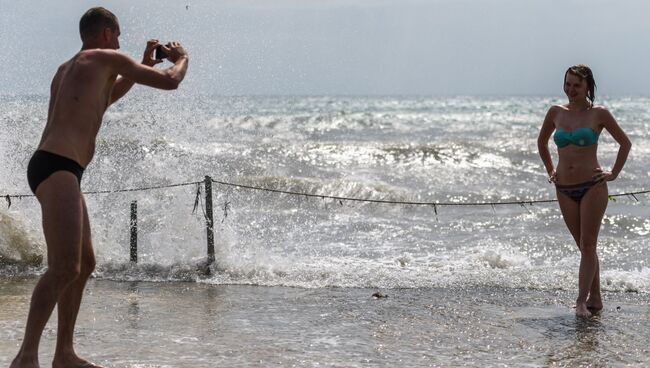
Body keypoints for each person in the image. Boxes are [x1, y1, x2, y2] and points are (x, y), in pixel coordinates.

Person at [11, 7, 188, 368]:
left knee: (84, 262)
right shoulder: (108, 57)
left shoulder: (70, 68)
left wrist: (140, 67)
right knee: (63, 267)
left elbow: (102, 100)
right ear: (107, 33)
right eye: (119, 37)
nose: (121, 45)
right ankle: (26, 356)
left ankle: (64, 353)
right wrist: (182, 58)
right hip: (58, 168)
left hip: (55, 166)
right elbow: (172, 81)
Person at [537, 65, 631, 318]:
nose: (571, 90)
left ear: (588, 86)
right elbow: (542, 142)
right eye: (567, 84)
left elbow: (625, 143)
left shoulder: (598, 114)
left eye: (576, 85)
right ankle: (596, 298)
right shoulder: (556, 112)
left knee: (588, 244)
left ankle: (580, 301)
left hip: (593, 186)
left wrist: (613, 173)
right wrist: (550, 170)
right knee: (583, 246)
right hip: (564, 188)